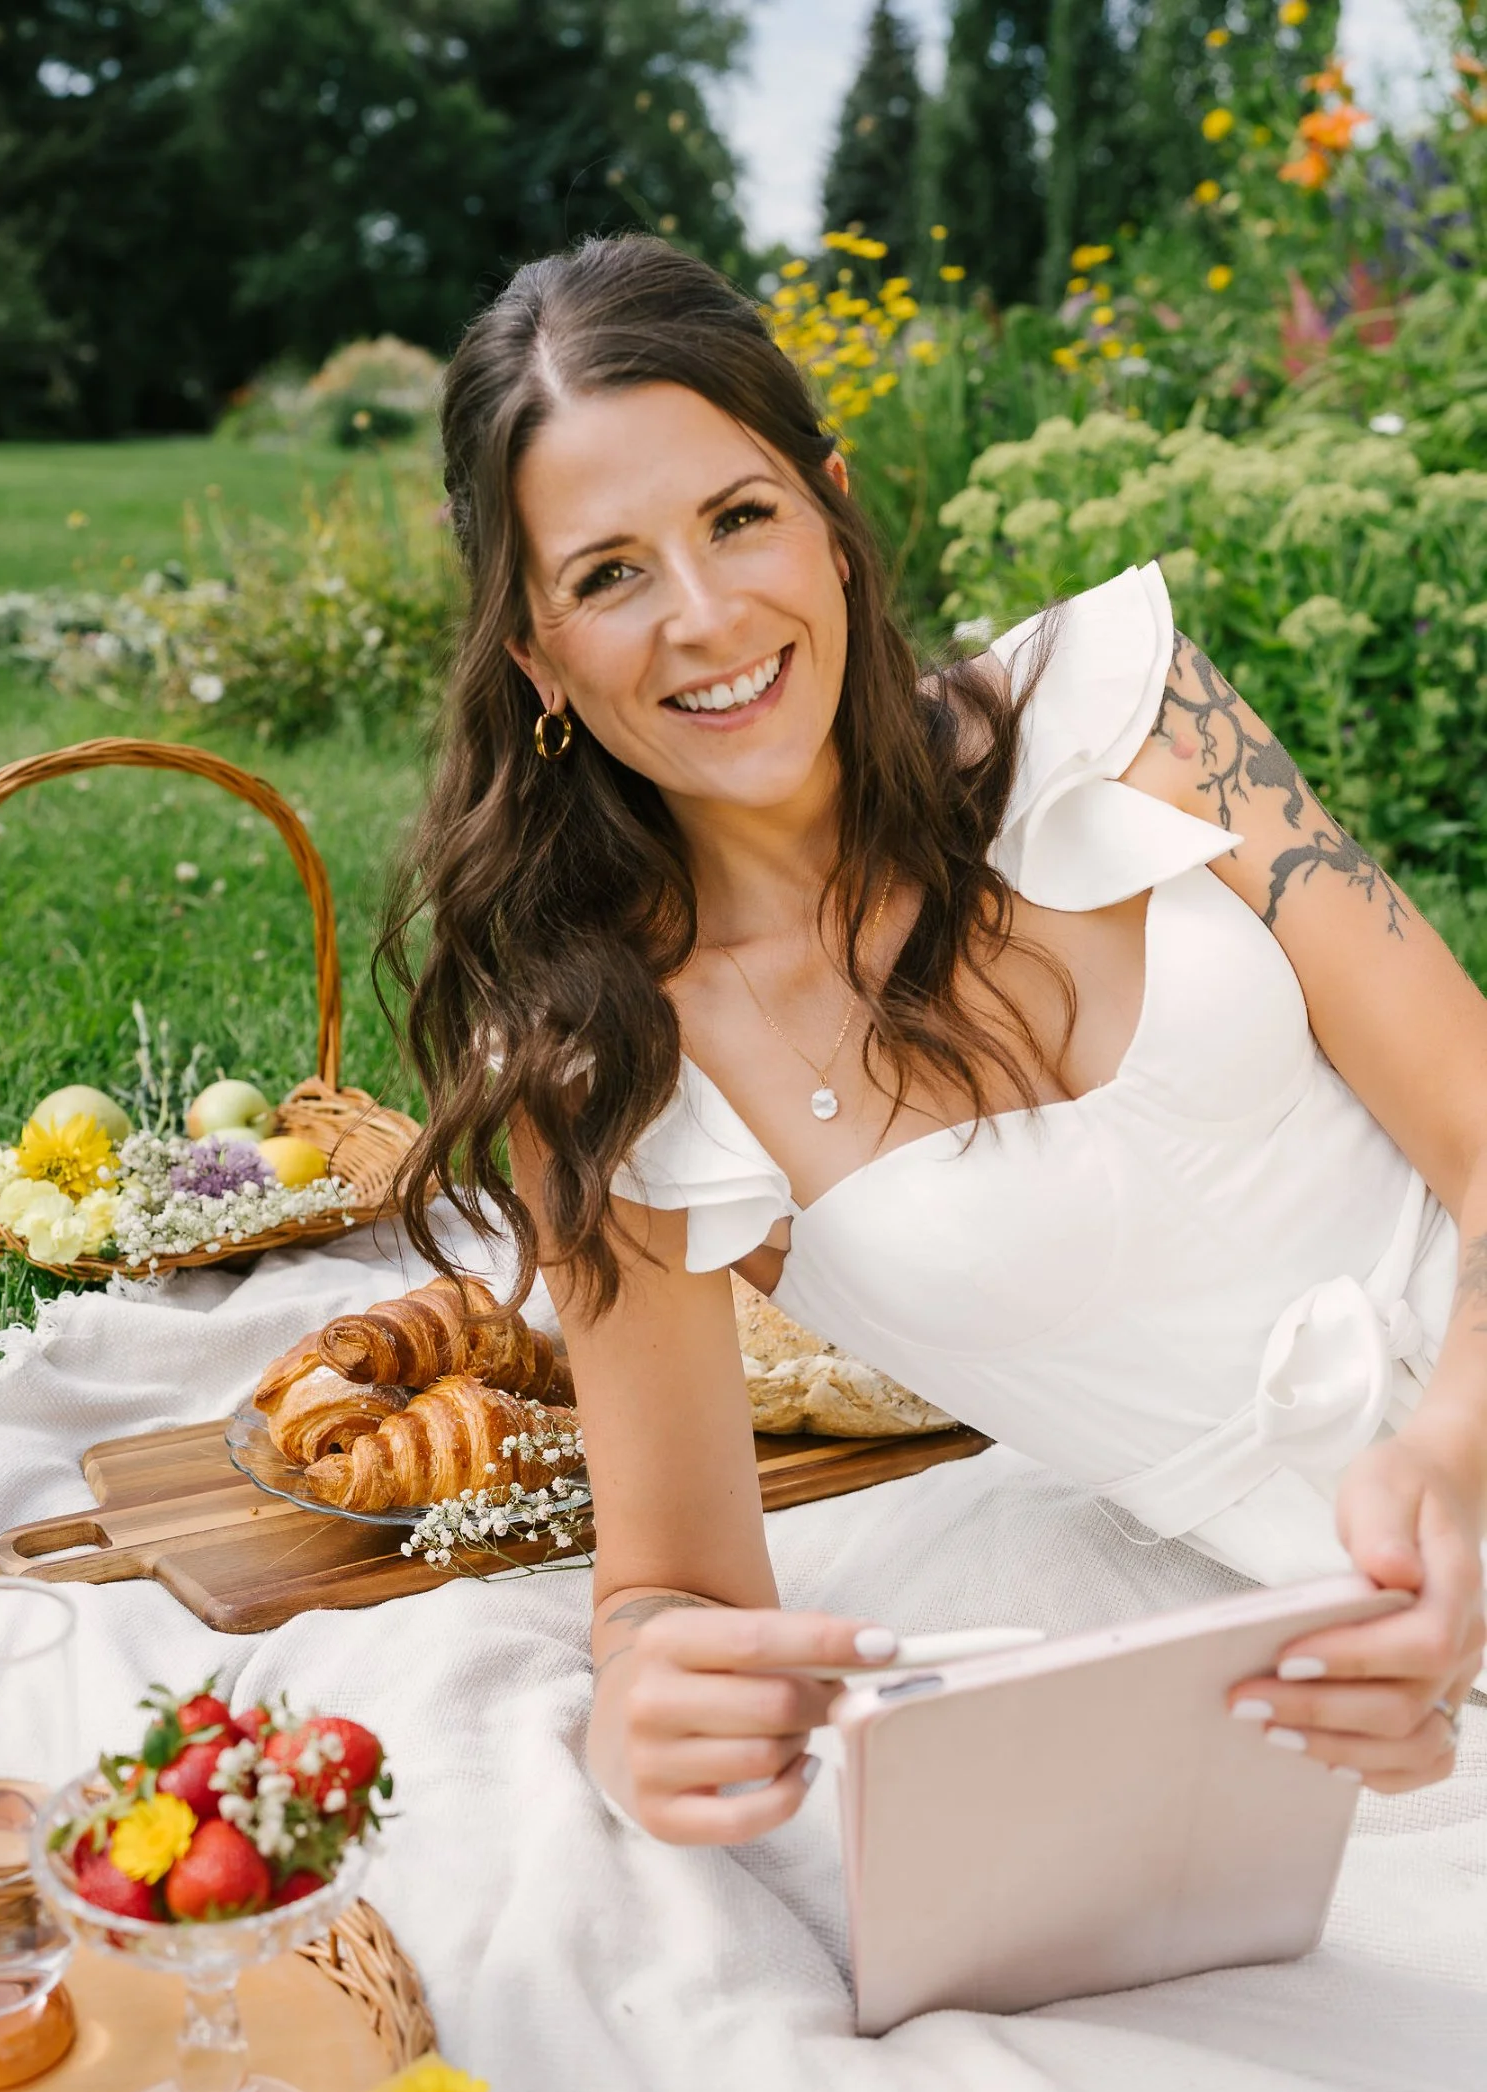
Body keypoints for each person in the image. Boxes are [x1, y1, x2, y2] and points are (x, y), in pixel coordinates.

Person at [382, 234, 1485, 1848]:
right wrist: (643, 1716)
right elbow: (673, 1588)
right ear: (539, 658)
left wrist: (1457, 1445)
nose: (703, 617)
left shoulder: (1123, 709)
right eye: (609, 574)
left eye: (739, 518)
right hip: (1331, 1642)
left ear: (831, 515)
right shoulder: (607, 1069)